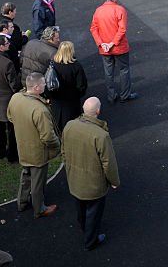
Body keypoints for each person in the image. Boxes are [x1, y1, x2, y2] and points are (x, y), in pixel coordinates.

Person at [62, 97, 120, 251]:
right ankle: (91, 240)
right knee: (94, 213)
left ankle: (83, 227)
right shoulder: (101, 135)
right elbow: (108, 163)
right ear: (98, 111)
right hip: (94, 183)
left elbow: (64, 150)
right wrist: (114, 181)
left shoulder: (69, 125)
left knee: (80, 206)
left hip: (74, 178)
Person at [7, 72, 61, 219]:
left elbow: (10, 117)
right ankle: (39, 209)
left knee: (26, 175)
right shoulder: (40, 109)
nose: (45, 85)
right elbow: (48, 136)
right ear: (37, 87)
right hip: (37, 151)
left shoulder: (16, 98)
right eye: (43, 84)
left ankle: (22, 202)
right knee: (38, 182)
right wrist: (58, 146)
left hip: (22, 147)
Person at [90, 0, 137, 104]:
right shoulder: (120, 10)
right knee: (124, 70)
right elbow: (122, 30)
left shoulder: (98, 10)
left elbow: (93, 29)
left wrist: (101, 43)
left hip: (104, 48)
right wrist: (112, 43)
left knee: (108, 72)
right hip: (119, 47)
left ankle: (111, 96)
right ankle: (125, 94)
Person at [0, 34, 21, 162]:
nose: (9, 44)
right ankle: (13, 155)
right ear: (1, 47)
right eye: (6, 43)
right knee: (12, 130)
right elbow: (14, 85)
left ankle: (0, 151)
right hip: (9, 100)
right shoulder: (7, 63)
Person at [48, 40, 89, 134]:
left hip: (57, 103)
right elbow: (82, 86)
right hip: (72, 103)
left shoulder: (53, 65)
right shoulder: (76, 66)